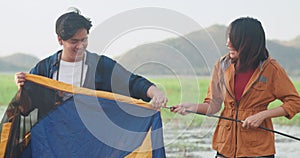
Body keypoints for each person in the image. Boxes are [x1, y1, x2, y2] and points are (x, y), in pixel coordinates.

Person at [171, 17, 300, 158]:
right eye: (228, 38)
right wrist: (191, 107)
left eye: (233, 40)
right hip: (224, 147)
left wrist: (261, 115)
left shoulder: (271, 69)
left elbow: (295, 102)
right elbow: (213, 105)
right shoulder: (221, 66)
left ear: (249, 42)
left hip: (258, 150)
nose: (228, 44)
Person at [14, 8, 167, 119]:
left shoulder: (101, 65)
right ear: (60, 39)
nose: (80, 46)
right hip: (55, 141)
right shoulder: (44, 68)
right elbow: (25, 108)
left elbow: (132, 82)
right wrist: (22, 86)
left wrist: (155, 92)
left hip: (90, 141)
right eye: (74, 41)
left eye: (84, 40)